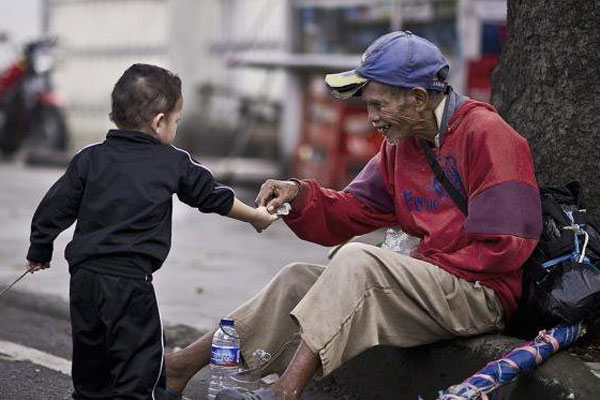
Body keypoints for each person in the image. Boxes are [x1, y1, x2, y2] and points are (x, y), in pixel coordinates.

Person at [164, 31, 542, 400]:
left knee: (359, 261)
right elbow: (352, 209)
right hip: (432, 287)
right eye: (369, 105)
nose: (372, 117)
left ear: (418, 97)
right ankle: (180, 367)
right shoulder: (402, 144)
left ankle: (285, 391)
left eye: (379, 105)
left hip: (480, 296)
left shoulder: (487, 134)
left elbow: (507, 244)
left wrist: (414, 261)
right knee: (296, 278)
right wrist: (298, 194)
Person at [25, 63, 278, 400]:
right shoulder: (173, 162)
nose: (175, 126)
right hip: (130, 285)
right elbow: (213, 196)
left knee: (91, 361)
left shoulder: (89, 158)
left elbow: (53, 208)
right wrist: (255, 217)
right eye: (176, 121)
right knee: (140, 363)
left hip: (84, 280)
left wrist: (39, 249)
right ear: (160, 122)